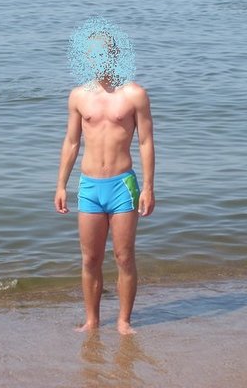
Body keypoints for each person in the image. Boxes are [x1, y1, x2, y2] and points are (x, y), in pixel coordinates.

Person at [55, 26, 155, 335]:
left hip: (122, 185)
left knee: (124, 257)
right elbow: (72, 142)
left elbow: (146, 142)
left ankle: (124, 321)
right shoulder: (78, 96)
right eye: (92, 56)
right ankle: (92, 320)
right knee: (90, 258)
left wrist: (148, 187)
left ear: (114, 56)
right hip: (89, 186)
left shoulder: (134, 94)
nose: (97, 61)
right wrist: (61, 185)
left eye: (103, 55)